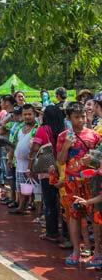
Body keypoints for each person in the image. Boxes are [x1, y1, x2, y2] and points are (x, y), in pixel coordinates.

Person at [57, 102, 102, 266]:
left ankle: (98, 252)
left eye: (82, 116)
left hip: (91, 181)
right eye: (76, 117)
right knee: (74, 216)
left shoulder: (94, 136)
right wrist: (66, 147)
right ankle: (77, 251)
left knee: (95, 217)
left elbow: (99, 160)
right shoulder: (63, 136)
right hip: (71, 182)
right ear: (68, 118)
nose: (81, 120)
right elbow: (60, 161)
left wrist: (93, 160)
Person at [30, 105, 65, 243]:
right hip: (63, 172)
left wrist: (30, 166)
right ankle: (68, 233)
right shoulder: (64, 130)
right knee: (63, 202)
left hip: (47, 172)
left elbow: (34, 149)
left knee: (49, 203)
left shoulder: (43, 130)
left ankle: (52, 232)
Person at [8, 104, 38, 214]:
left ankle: (32, 206)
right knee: (21, 187)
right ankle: (21, 207)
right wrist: (10, 158)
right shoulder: (19, 128)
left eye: (30, 114)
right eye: (25, 114)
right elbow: (13, 143)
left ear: (34, 114)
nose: (27, 116)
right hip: (19, 164)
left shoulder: (37, 128)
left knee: (33, 188)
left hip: (32, 165)